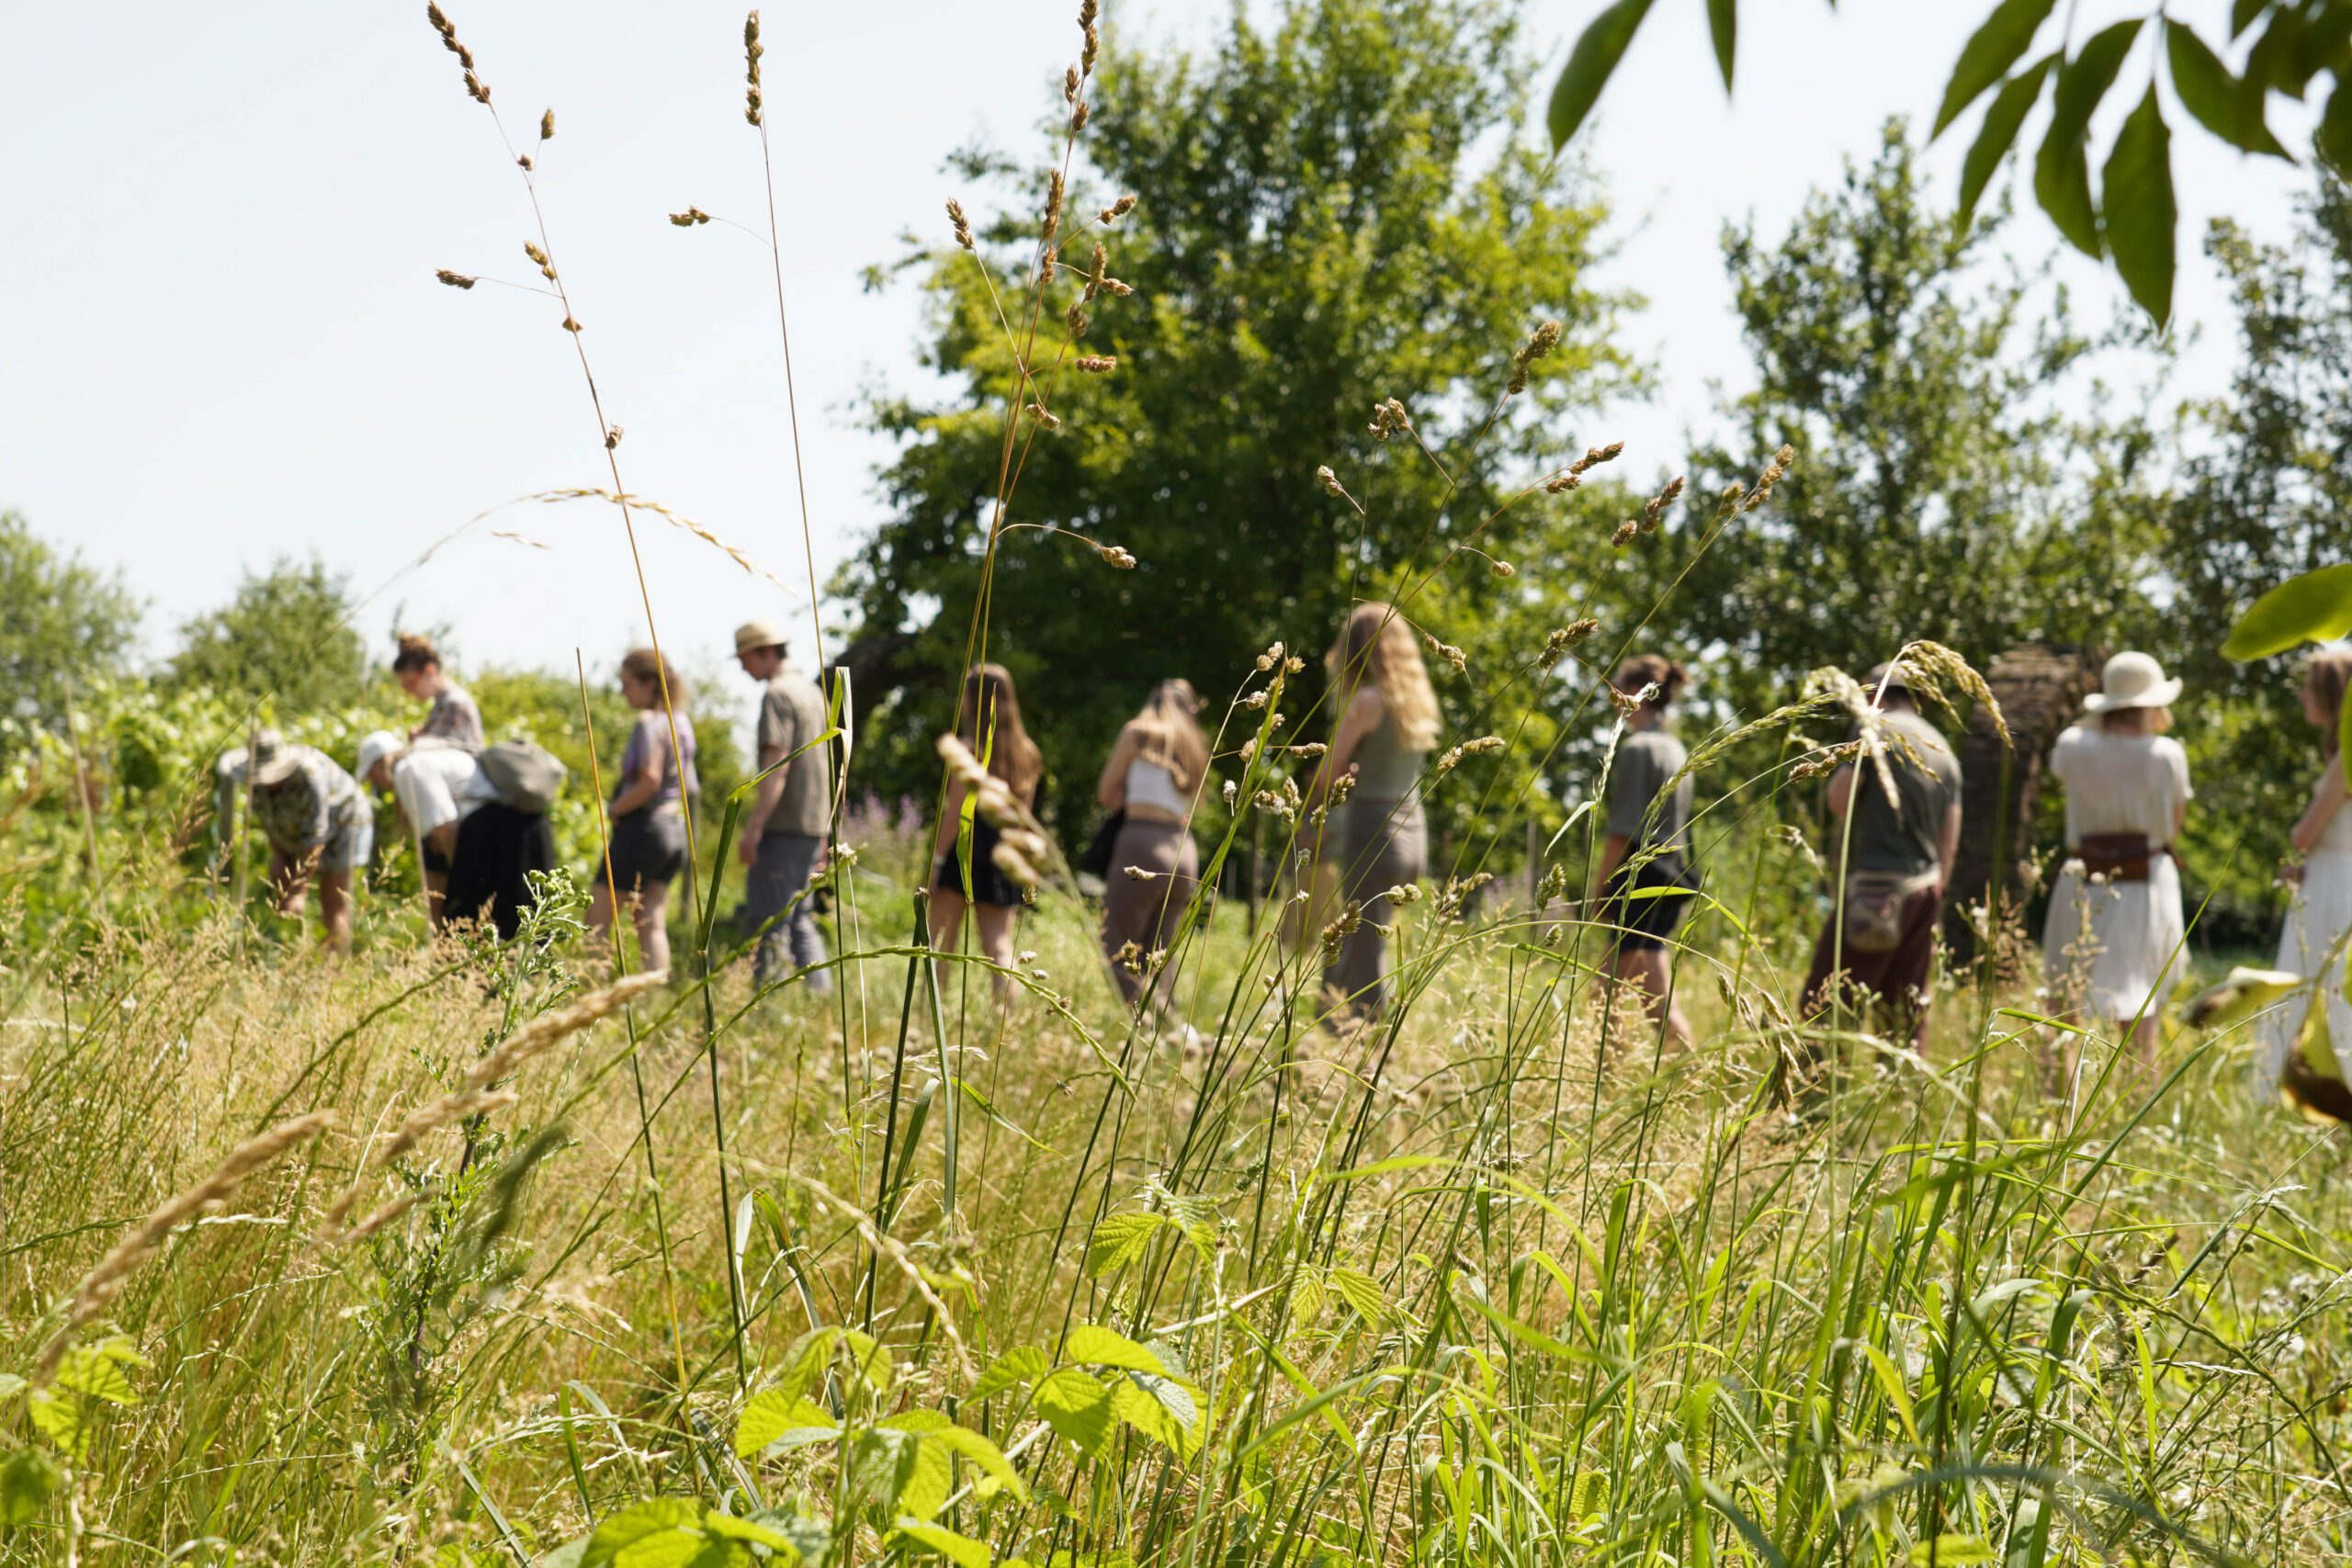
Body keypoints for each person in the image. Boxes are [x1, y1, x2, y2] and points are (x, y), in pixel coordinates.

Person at [2039, 652, 2191, 1089]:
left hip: (2085, 877)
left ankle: (2058, 1098)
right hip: (2148, 878)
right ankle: (2137, 1103)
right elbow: (2173, 825)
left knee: (2066, 990)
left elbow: (2064, 769)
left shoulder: (2074, 744)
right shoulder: (2167, 754)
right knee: (2143, 994)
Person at [1799, 660, 1962, 1055]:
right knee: (1903, 1011)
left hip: (1876, 892)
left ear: (1874, 694)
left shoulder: (1872, 729)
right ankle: (1903, 1102)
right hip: (1925, 891)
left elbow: (1839, 802)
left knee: (1827, 1004)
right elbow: (1949, 842)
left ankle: (1811, 1106)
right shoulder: (1945, 749)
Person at [1306, 602, 1439, 1021]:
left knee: (1364, 950)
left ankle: (1371, 1046)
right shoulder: (1414, 701)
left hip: (1373, 832)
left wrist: (1311, 793)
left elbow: (1329, 772)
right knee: (1369, 942)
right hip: (1413, 833)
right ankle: (1332, 1023)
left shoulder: (1366, 700)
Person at [2256, 643, 2352, 1099]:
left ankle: (2315, 1090)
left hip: (2336, 885)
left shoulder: (2344, 761)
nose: (2302, 698)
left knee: (2322, 989)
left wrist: (2295, 854)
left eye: (2309, 689)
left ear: (2332, 695)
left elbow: (2303, 834)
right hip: (2335, 876)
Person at [356, 730, 554, 940]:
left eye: (370, 773)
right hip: (524, 829)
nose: (372, 781)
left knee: (469, 921)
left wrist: (460, 882)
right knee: (520, 920)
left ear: (381, 762)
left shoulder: (408, 768)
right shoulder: (430, 754)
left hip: (494, 831)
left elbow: (446, 829)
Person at [1593, 655, 1697, 1050]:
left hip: (1642, 879)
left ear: (1636, 692)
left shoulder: (1638, 749)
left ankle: (1691, 1075)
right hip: (1669, 873)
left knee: (1654, 1001)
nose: (1611, 692)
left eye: (1618, 683)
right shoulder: (1675, 747)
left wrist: (1601, 888)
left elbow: (1622, 833)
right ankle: (1603, 1081)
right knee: (1606, 994)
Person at [1096, 679, 1209, 1023]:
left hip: (1141, 842)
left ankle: (1165, 1029)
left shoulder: (1137, 733)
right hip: (1183, 850)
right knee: (1161, 958)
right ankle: (1169, 1037)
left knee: (1118, 948)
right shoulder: (1194, 746)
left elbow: (1106, 793)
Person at [929, 663, 1043, 995]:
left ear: (974, 700)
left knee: (940, 945)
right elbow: (1024, 818)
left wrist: (936, 861)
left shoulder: (967, 750)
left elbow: (956, 813)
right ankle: (1005, 1022)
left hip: (963, 848)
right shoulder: (1027, 752)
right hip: (1002, 851)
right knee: (1000, 947)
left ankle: (925, 1021)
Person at [734, 619, 834, 993]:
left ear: (765, 652)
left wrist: (755, 826)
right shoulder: (812, 692)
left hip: (783, 826)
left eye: (745, 658)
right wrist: (824, 832)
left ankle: (764, 1009)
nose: (743, 667)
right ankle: (820, 1002)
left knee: (766, 922)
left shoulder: (777, 694)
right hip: (811, 827)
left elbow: (776, 766)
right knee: (799, 919)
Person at [587, 648, 697, 976]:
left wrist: (615, 808)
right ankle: (652, 996)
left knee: (596, 920)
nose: (622, 692)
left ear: (649, 683)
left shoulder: (650, 723)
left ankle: (589, 998)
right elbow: (690, 785)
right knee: (651, 922)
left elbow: (649, 780)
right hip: (674, 831)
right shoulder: (682, 722)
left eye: (627, 684)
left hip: (643, 830)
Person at [215, 730, 375, 951]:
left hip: (345, 824)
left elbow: (315, 837)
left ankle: (336, 967)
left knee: (333, 898)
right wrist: (281, 857)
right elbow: (269, 822)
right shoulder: (257, 784)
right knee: (281, 886)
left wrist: (298, 891)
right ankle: (288, 952)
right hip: (300, 831)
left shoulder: (311, 776)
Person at [393, 633, 484, 750]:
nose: (409, 692)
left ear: (429, 671)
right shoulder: (442, 702)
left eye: (410, 684)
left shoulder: (455, 702)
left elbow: (460, 754)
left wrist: (421, 742)